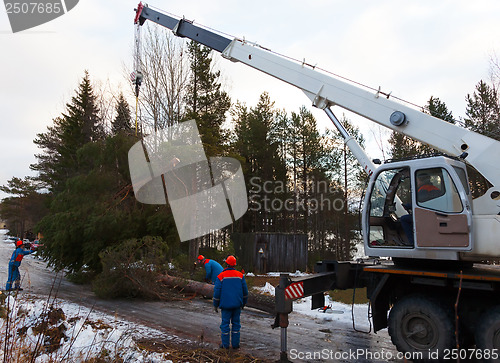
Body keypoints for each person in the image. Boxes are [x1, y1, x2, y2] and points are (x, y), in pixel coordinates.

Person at [213, 255, 248, 349]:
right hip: (237, 305)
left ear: (226, 264)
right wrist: (244, 303)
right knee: (236, 325)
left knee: (225, 325)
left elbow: (217, 293)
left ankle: (225, 345)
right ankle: (235, 345)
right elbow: (245, 292)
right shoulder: (240, 275)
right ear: (235, 265)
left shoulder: (221, 276)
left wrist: (215, 304)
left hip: (225, 306)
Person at [400, 173, 440, 245]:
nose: (416, 182)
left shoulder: (423, 189)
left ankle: (412, 242)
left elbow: (420, 203)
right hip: (434, 215)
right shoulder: (434, 188)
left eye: (417, 180)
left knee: (404, 219)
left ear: (421, 180)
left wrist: (407, 205)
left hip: (425, 216)